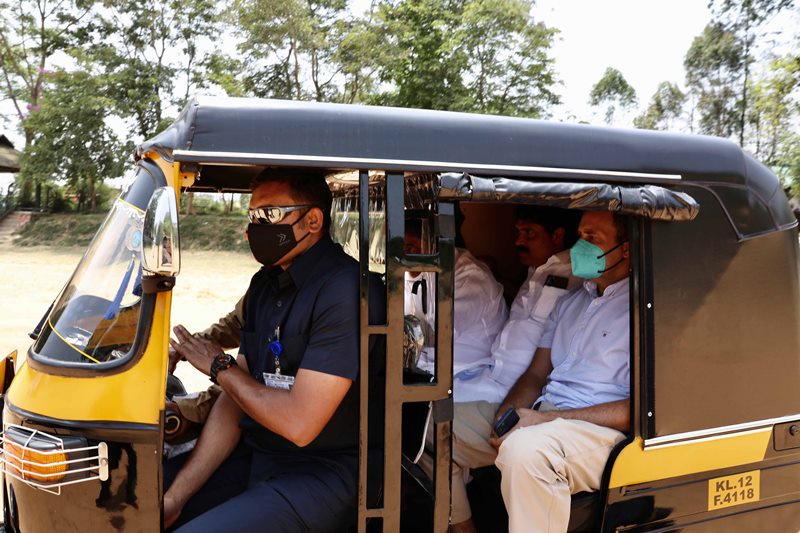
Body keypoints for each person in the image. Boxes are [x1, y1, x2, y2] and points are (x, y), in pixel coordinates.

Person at [163, 168, 385, 532]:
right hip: (260, 457)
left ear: (313, 220)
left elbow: (300, 424)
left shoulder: (346, 291)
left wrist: (219, 366)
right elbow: (236, 398)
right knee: (144, 499)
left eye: (269, 214)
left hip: (325, 476)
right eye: (252, 215)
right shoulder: (264, 285)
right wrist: (176, 497)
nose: (255, 227)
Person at [450, 210, 630, 533]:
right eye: (580, 235)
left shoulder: (641, 311)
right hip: (543, 416)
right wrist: (506, 415)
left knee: (525, 453)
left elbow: (636, 411)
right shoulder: (570, 302)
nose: (580, 246)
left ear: (625, 249)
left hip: (598, 432)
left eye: (592, 238)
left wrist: (545, 421)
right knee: (438, 429)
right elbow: (535, 375)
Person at [403, 209, 508, 400]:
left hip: (465, 378)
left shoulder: (470, 278)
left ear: (434, 243)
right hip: (425, 370)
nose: (404, 255)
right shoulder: (411, 268)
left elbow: (439, 334)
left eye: (412, 247)